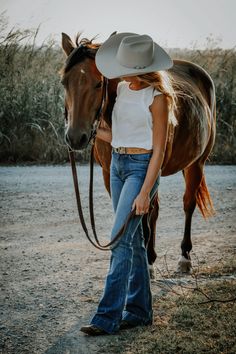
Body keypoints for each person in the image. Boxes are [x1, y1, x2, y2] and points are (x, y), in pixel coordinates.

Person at [80, 32, 176, 335]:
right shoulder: (121, 89)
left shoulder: (157, 98)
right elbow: (118, 137)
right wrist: (91, 132)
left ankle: (106, 317)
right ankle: (139, 311)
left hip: (140, 169)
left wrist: (146, 191)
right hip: (119, 165)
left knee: (119, 241)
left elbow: (158, 150)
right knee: (132, 241)